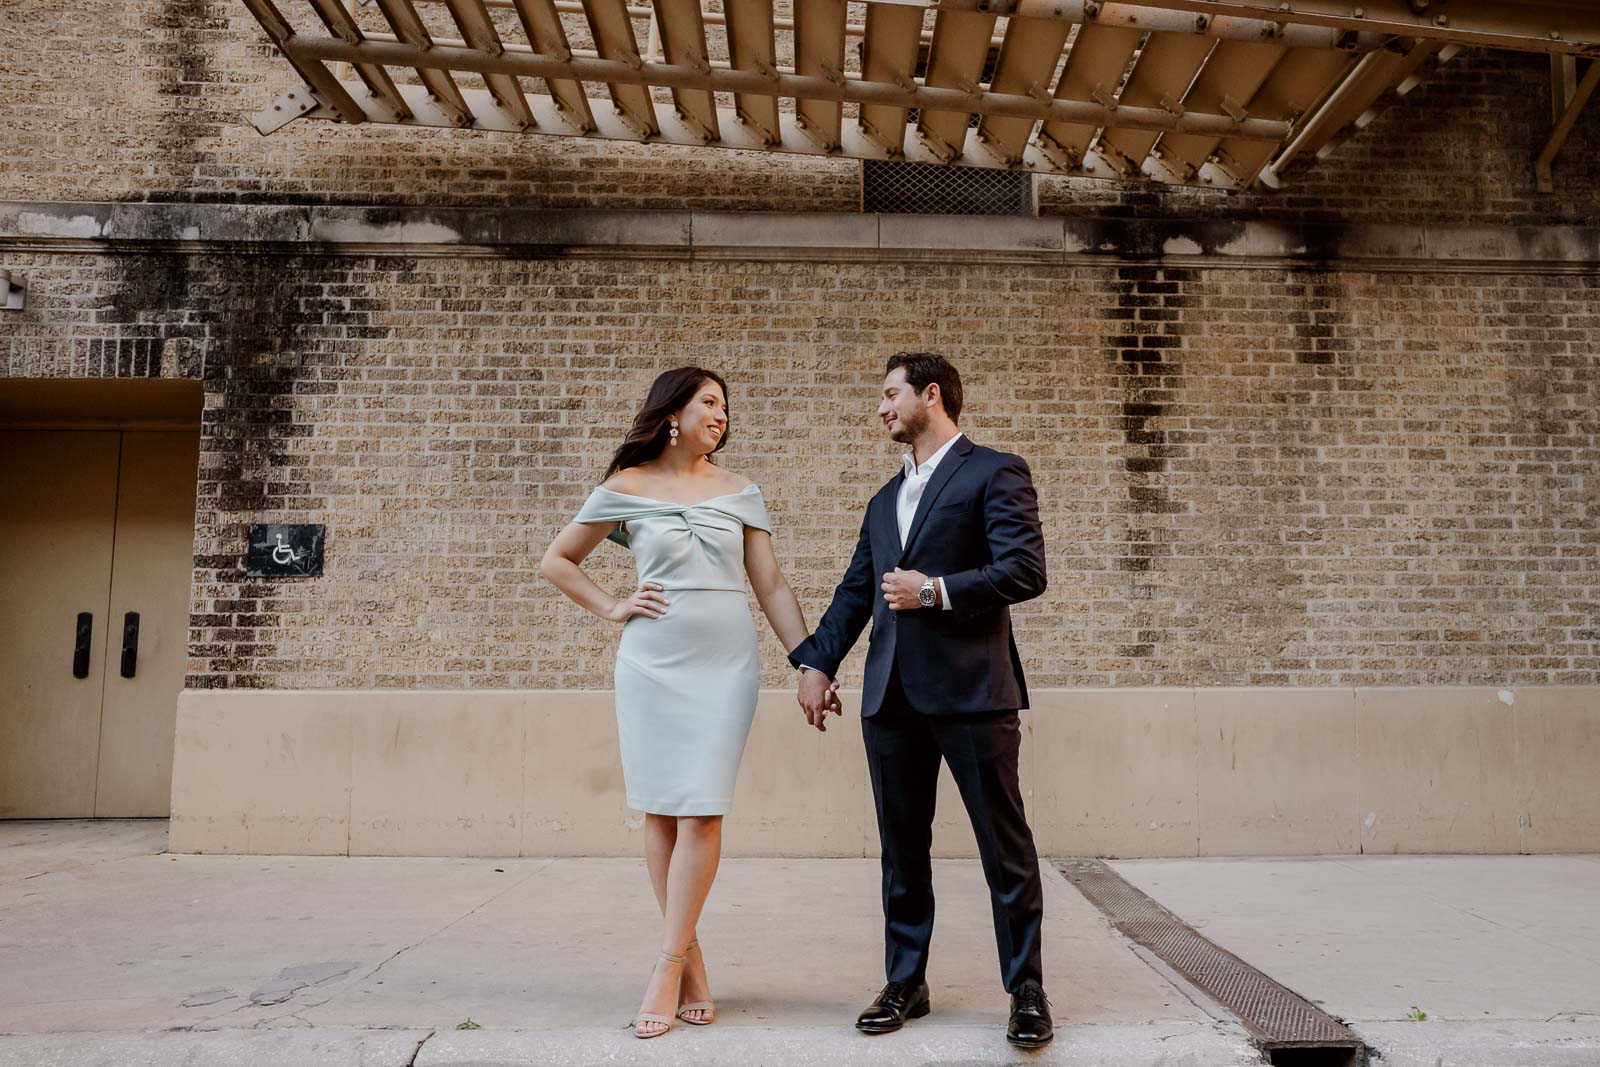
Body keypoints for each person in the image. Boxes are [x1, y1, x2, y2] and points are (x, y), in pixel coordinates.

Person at [539, 367, 832, 1039]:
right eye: (709, 401)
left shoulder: (740, 492)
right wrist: (613, 604)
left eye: (725, 406)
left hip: (726, 666)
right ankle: (692, 958)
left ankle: (667, 962)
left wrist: (808, 659)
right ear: (673, 412)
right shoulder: (626, 487)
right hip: (652, 664)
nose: (721, 414)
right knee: (661, 810)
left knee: (702, 808)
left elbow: (775, 587)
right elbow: (557, 560)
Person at [790, 352, 1054, 1048]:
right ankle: (907, 980)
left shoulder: (996, 470)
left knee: (1005, 847)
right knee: (902, 850)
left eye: (889, 394)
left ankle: (1025, 986)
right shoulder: (883, 500)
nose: (880, 408)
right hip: (892, 697)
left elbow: (1025, 569)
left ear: (930, 394)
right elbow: (856, 591)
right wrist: (816, 662)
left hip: (973, 691)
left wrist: (933, 589)